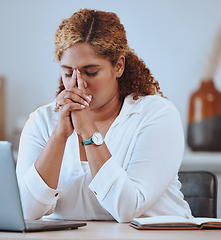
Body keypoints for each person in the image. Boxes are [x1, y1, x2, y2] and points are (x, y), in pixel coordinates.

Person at [16, 8, 192, 223]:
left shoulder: (157, 115)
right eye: (68, 72)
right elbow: (24, 211)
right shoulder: (42, 121)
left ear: (118, 66)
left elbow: (127, 208)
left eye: (91, 72)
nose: (77, 83)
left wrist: (88, 130)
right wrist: (59, 136)